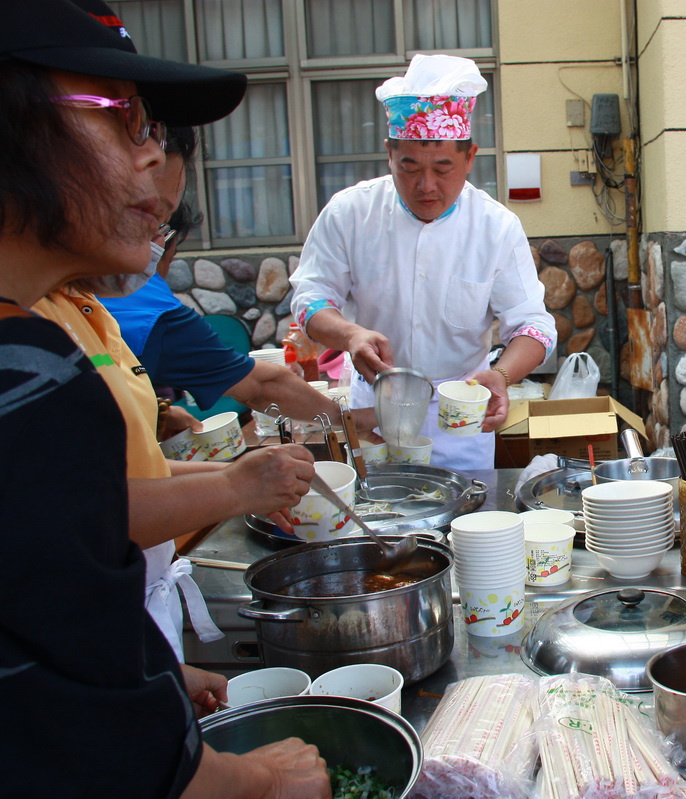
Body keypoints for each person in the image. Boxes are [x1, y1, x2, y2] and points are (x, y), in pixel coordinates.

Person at [0, 2, 330, 795]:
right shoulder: (27, 379)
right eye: (126, 120)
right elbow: (82, 742)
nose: (155, 162)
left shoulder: (49, 338)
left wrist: (145, 669)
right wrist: (251, 781)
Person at [290, 53, 556, 470]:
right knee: (378, 519)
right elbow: (310, 300)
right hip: (374, 411)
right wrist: (350, 335)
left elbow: (534, 325)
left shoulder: (495, 227)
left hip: (461, 414)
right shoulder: (350, 212)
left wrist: (501, 376)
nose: (425, 186)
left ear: (470, 157)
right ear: (389, 155)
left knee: (464, 523)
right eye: (409, 167)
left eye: (443, 168)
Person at [100, 127, 346, 435]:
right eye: (149, 214)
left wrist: (159, 414)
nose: (152, 240)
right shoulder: (150, 307)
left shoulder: (78, 301)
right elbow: (259, 386)